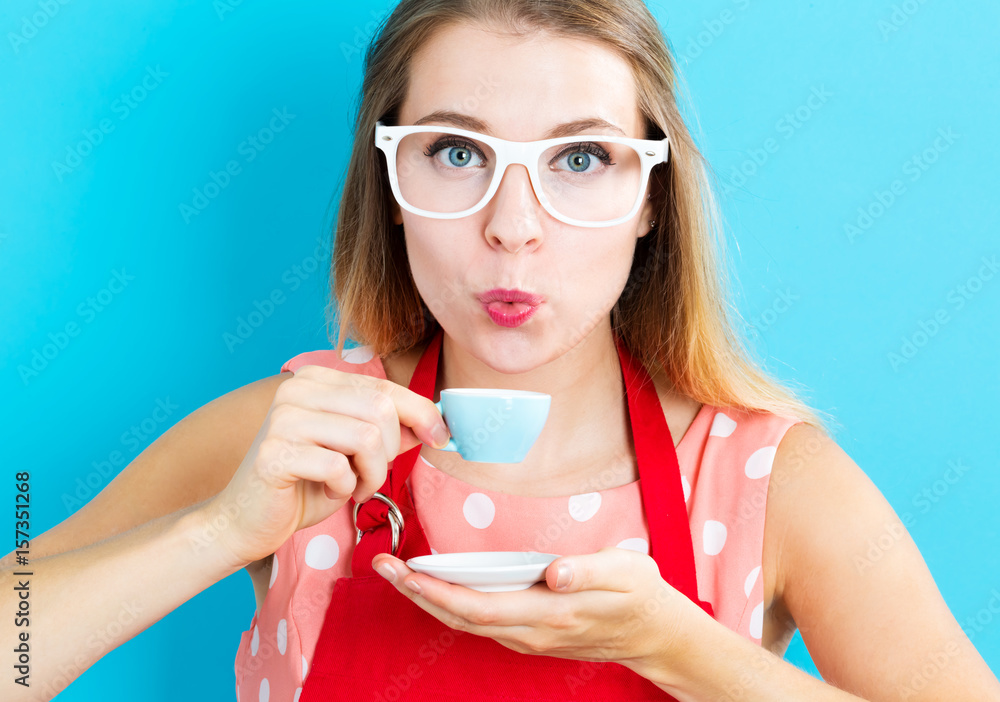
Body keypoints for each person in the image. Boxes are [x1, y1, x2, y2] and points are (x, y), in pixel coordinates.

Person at [3, 0, 998, 700]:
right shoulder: (293, 439)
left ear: (650, 198)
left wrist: (681, 651)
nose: (512, 226)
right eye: (454, 152)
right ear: (389, 183)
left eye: (579, 158)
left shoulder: (763, 480)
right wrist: (216, 532)